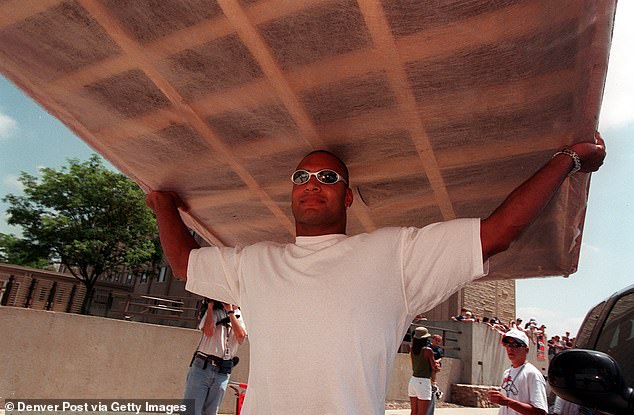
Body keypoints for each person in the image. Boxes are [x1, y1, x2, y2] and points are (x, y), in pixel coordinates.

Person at [146, 134, 605, 415]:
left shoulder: (394, 255)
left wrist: (568, 158)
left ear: (348, 197)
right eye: (301, 176)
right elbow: (186, 263)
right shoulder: (254, 262)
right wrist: (164, 205)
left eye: (328, 178)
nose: (311, 184)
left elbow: (499, 232)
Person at [184, 299, 247, 415]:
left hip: (222, 370)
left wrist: (230, 312)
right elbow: (208, 332)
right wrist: (210, 307)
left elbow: (241, 337)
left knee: (211, 412)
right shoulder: (213, 312)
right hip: (202, 366)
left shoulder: (240, 316)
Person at [487, 329, 548, 415]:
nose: (510, 349)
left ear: (526, 350)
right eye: (507, 345)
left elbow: (540, 412)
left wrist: (507, 402)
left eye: (515, 345)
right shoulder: (507, 373)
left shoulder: (532, 374)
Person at [409, 327, 438, 415]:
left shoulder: (412, 349)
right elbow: (435, 368)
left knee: (414, 412)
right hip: (424, 381)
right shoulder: (427, 350)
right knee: (422, 413)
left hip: (413, 381)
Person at [430, 334, 444, 400]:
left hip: (435, 364)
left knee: (433, 373)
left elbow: (440, 357)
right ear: (432, 339)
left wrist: (436, 361)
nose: (437, 342)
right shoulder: (428, 347)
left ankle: (434, 384)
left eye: (439, 341)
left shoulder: (439, 349)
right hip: (429, 363)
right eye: (436, 340)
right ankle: (438, 391)